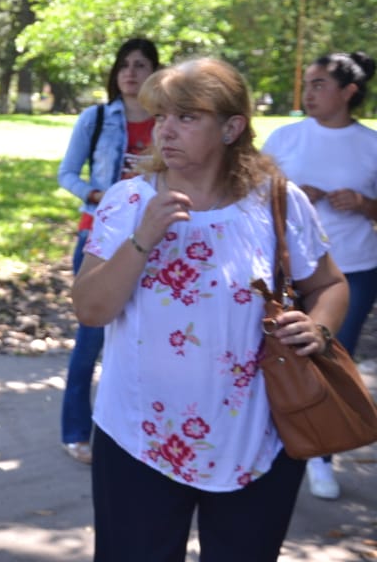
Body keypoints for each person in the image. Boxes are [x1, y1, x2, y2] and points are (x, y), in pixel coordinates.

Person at [71, 57, 348, 561]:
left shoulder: (277, 203)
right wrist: (143, 239)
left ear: (231, 127)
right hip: (138, 436)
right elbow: (90, 309)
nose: (165, 132)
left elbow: (329, 284)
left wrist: (320, 327)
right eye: (160, 118)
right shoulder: (127, 201)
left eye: (186, 117)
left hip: (258, 436)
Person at [262, 51, 377, 501]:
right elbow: (250, 192)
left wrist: (364, 205)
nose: (308, 93)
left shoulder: (370, 144)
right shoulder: (285, 136)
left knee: (327, 355)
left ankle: (321, 455)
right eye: (307, 84)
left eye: (319, 84)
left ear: (349, 92)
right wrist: (289, 197)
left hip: (355, 267)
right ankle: (276, 438)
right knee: (279, 354)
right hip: (286, 272)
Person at [56, 38, 160, 464]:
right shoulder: (96, 118)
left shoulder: (168, 121)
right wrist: (96, 194)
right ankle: (77, 430)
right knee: (90, 338)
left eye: (141, 65)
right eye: (124, 65)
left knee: (150, 339)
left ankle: (142, 430)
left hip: (156, 237)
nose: (131, 73)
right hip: (98, 234)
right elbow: (66, 174)